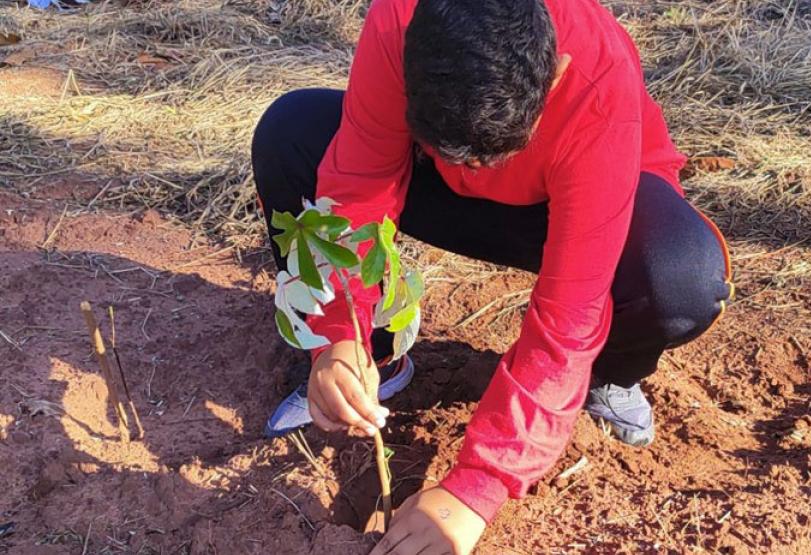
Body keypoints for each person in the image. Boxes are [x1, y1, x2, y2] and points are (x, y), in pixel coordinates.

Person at [251, 0, 734, 552]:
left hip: (583, 195)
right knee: (290, 133)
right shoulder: (399, 19)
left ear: (552, 75)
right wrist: (339, 335)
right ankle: (374, 362)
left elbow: (571, 311)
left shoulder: (598, 79)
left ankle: (608, 376)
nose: (478, 167)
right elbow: (358, 184)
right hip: (438, 177)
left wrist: (477, 489)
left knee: (678, 278)